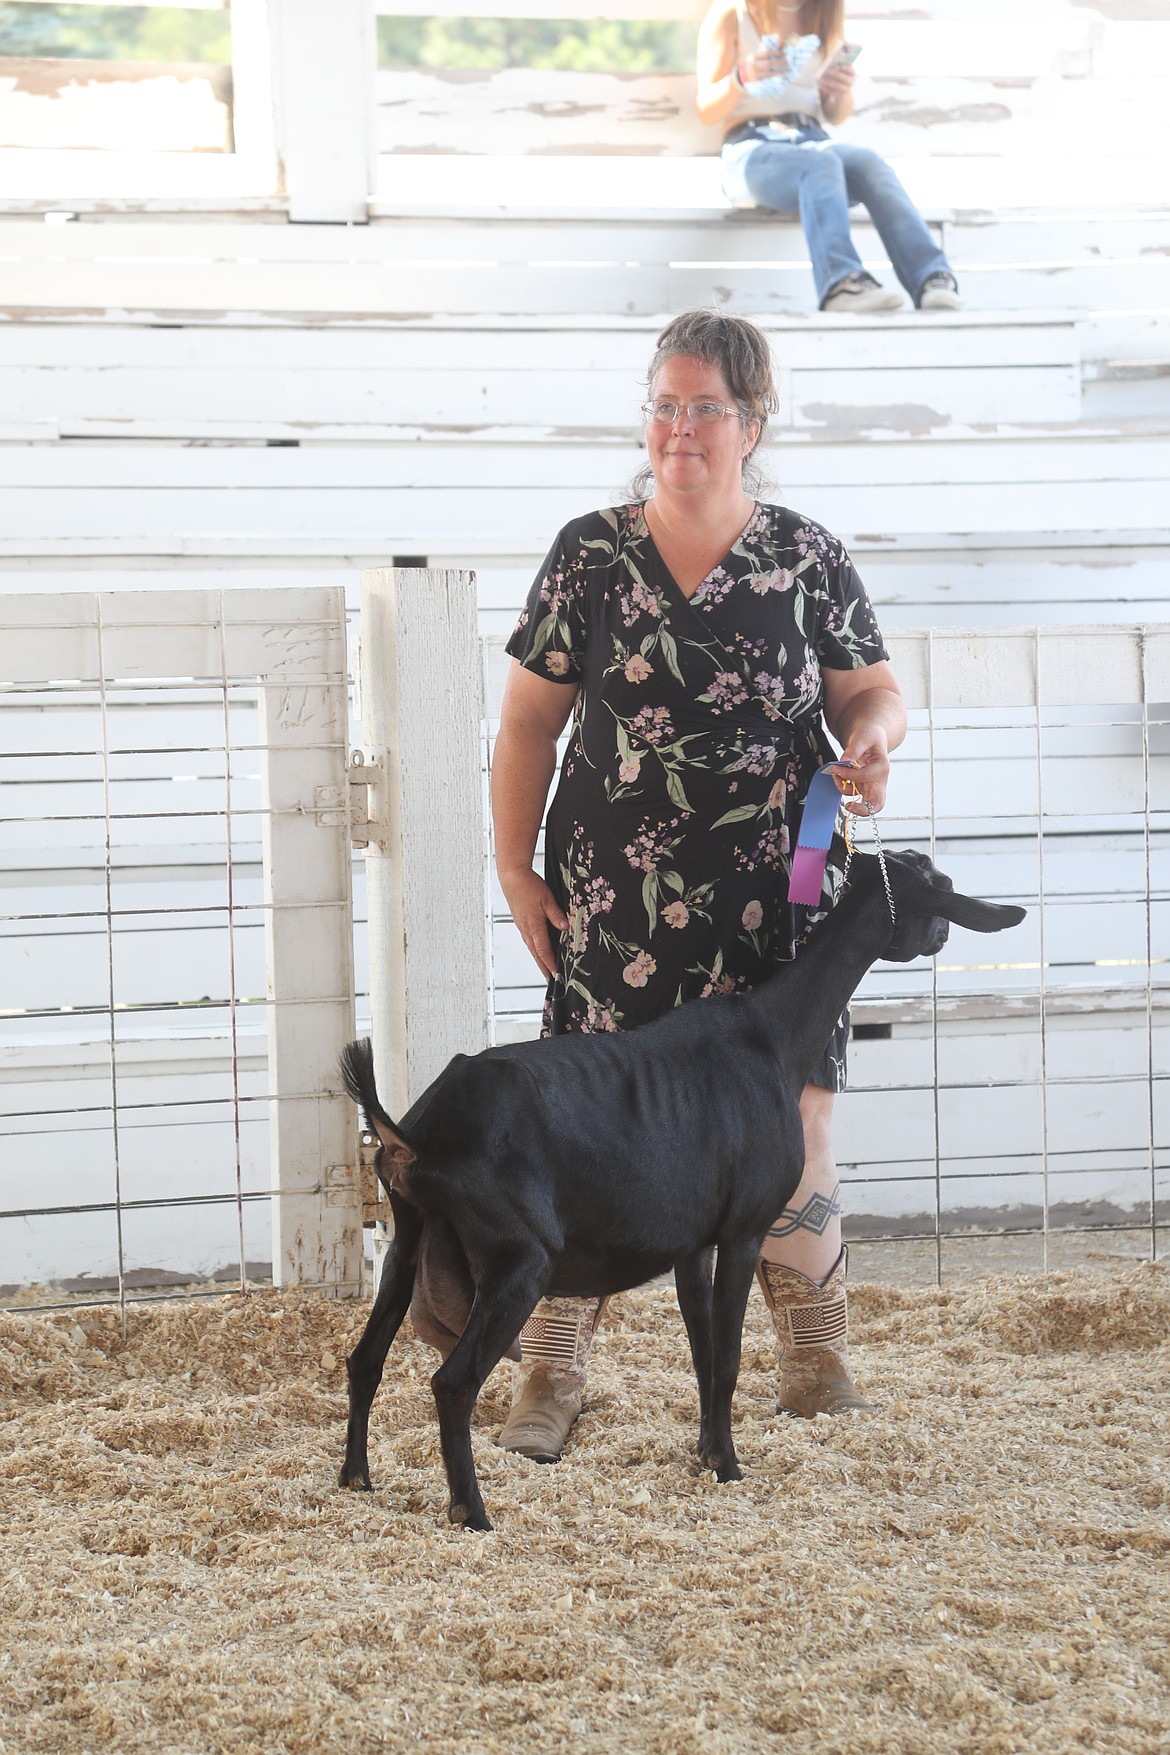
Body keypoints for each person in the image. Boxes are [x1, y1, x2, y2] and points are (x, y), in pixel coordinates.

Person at [491, 309, 907, 1462]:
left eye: (706, 407)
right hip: (613, 897)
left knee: (796, 1112)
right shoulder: (589, 553)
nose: (680, 427)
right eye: (664, 404)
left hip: (780, 893)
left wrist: (870, 744)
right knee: (582, 1115)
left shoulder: (806, 557)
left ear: (752, 421)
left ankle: (814, 1352)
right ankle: (549, 1370)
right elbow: (529, 725)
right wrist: (514, 867)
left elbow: (873, 692)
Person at [696, 0, 960, 314]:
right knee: (820, 163)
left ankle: (931, 277)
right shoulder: (733, 12)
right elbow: (706, 109)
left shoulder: (823, 12)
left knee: (867, 161)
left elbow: (835, 115)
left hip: (812, 139)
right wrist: (743, 76)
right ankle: (841, 284)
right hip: (752, 149)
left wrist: (839, 91)